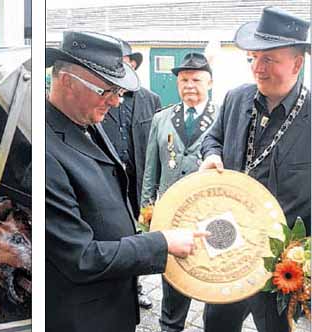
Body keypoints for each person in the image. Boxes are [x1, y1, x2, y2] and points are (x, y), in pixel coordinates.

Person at [45, 30, 208, 332]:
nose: (116, 103)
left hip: (111, 302)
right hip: (82, 317)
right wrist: (161, 242)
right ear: (67, 81)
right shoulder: (44, 154)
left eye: (118, 92)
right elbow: (80, 256)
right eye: (106, 91)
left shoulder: (83, 120)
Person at [199, 6, 310, 332]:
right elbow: (213, 138)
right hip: (227, 246)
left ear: (297, 63)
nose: (257, 69)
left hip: (280, 265)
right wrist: (211, 154)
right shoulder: (235, 98)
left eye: (269, 60)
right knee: (216, 325)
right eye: (253, 58)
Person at [141, 52, 218, 332]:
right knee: (173, 283)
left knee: (213, 280)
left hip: (210, 216)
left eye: (196, 79)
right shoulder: (162, 118)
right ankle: (170, 327)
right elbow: (151, 170)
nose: (189, 85)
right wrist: (146, 212)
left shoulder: (223, 117)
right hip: (172, 215)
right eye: (183, 80)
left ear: (209, 82)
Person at [101, 39, 162, 310]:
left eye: (123, 63)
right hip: (108, 182)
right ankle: (113, 287)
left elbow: (160, 142)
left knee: (137, 234)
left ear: (133, 64)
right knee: (113, 234)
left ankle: (137, 287)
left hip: (138, 182)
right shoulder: (102, 97)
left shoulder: (151, 100)